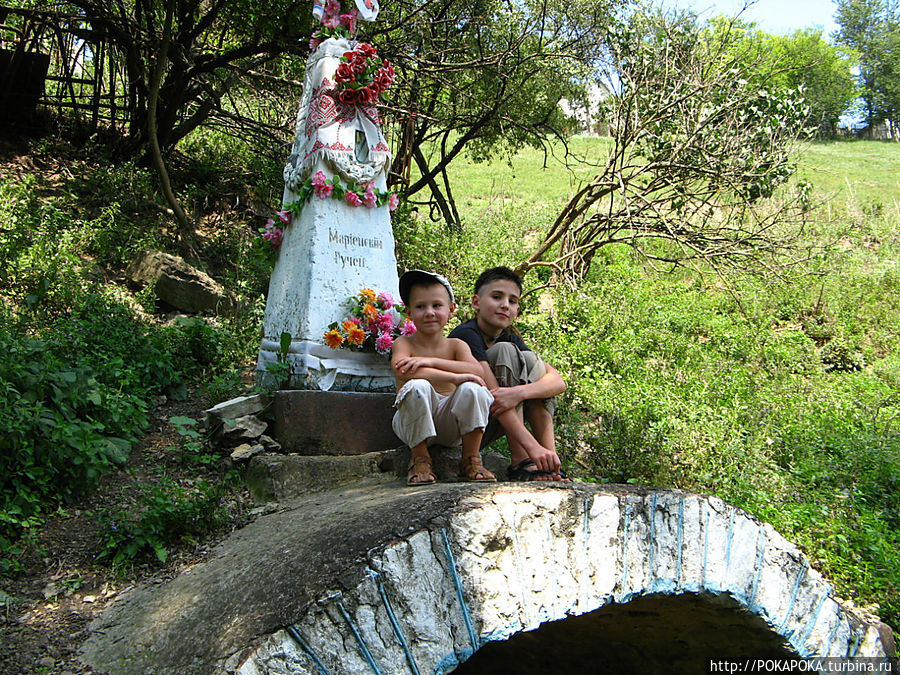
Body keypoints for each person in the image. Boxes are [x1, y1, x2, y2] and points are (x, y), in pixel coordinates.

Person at [449, 266, 567, 481]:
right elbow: (496, 396)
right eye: (496, 297)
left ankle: (550, 463)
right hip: (461, 425)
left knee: (532, 363)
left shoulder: (509, 337)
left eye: (512, 301)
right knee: (506, 352)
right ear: (476, 302)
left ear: (517, 309)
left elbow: (558, 382)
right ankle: (522, 461)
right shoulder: (466, 334)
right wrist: (532, 448)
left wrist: (519, 392)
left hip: (491, 418)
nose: (505, 305)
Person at [391, 270, 497, 486]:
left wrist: (430, 362)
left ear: (451, 309)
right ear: (409, 312)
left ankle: (470, 459)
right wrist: (454, 377)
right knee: (417, 386)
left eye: (437, 305)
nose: (429, 312)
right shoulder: (404, 343)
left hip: (450, 426)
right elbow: (404, 371)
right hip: (412, 423)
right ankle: (419, 458)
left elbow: (477, 371)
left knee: (474, 389)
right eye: (420, 307)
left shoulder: (456, 345)